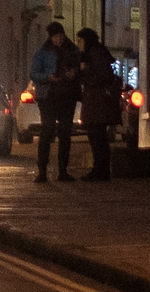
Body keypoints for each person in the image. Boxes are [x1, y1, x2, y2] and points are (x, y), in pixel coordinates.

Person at [28, 20, 80, 182]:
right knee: (47, 131)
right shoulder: (42, 53)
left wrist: (74, 73)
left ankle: (62, 170)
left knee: (65, 133)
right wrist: (48, 77)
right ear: (51, 37)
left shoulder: (72, 51)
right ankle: (42, 170)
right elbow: (34, 74)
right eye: (56, 37)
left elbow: (79, 67)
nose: (59, 39)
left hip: (67, 95)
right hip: (49, 95)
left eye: (61, 36)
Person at [76, 28, 119, 182]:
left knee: (97, 136)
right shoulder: (95, 52)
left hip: (97, 101)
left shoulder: (94, 54)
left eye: (80, 40)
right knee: (97, 136)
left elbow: (101, 76)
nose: (78, 44)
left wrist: (83, 73)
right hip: (95, 101)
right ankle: (100, 169)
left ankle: (100, 169)